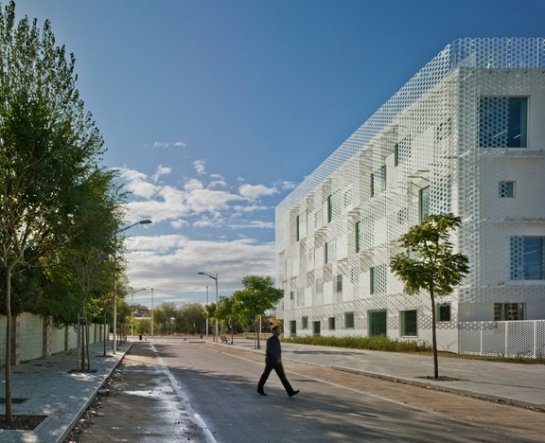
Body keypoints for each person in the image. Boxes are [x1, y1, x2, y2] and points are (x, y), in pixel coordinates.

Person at [257, 326, 299, 397]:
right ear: (273, 331)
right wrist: (277, 358)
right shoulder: (270, 340)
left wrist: (279, 358)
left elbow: (277, 351)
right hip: (271, 361)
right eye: (278, 330)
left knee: (282, 376)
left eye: (280, 330)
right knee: (265, 375)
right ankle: (259, 389)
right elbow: (270, 351)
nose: (280, 331)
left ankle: (290, 391)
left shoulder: (277, 340)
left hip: (277, 362)